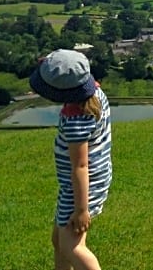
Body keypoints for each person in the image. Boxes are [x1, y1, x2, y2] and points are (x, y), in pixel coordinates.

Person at [29, 49, 113, 270]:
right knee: (59, 241)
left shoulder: (77, 120)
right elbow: (68, 67)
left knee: (72, 247)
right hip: (94, 178)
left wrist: (81, 210)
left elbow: (80, 166)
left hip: (82, 187)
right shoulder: (95, 95)